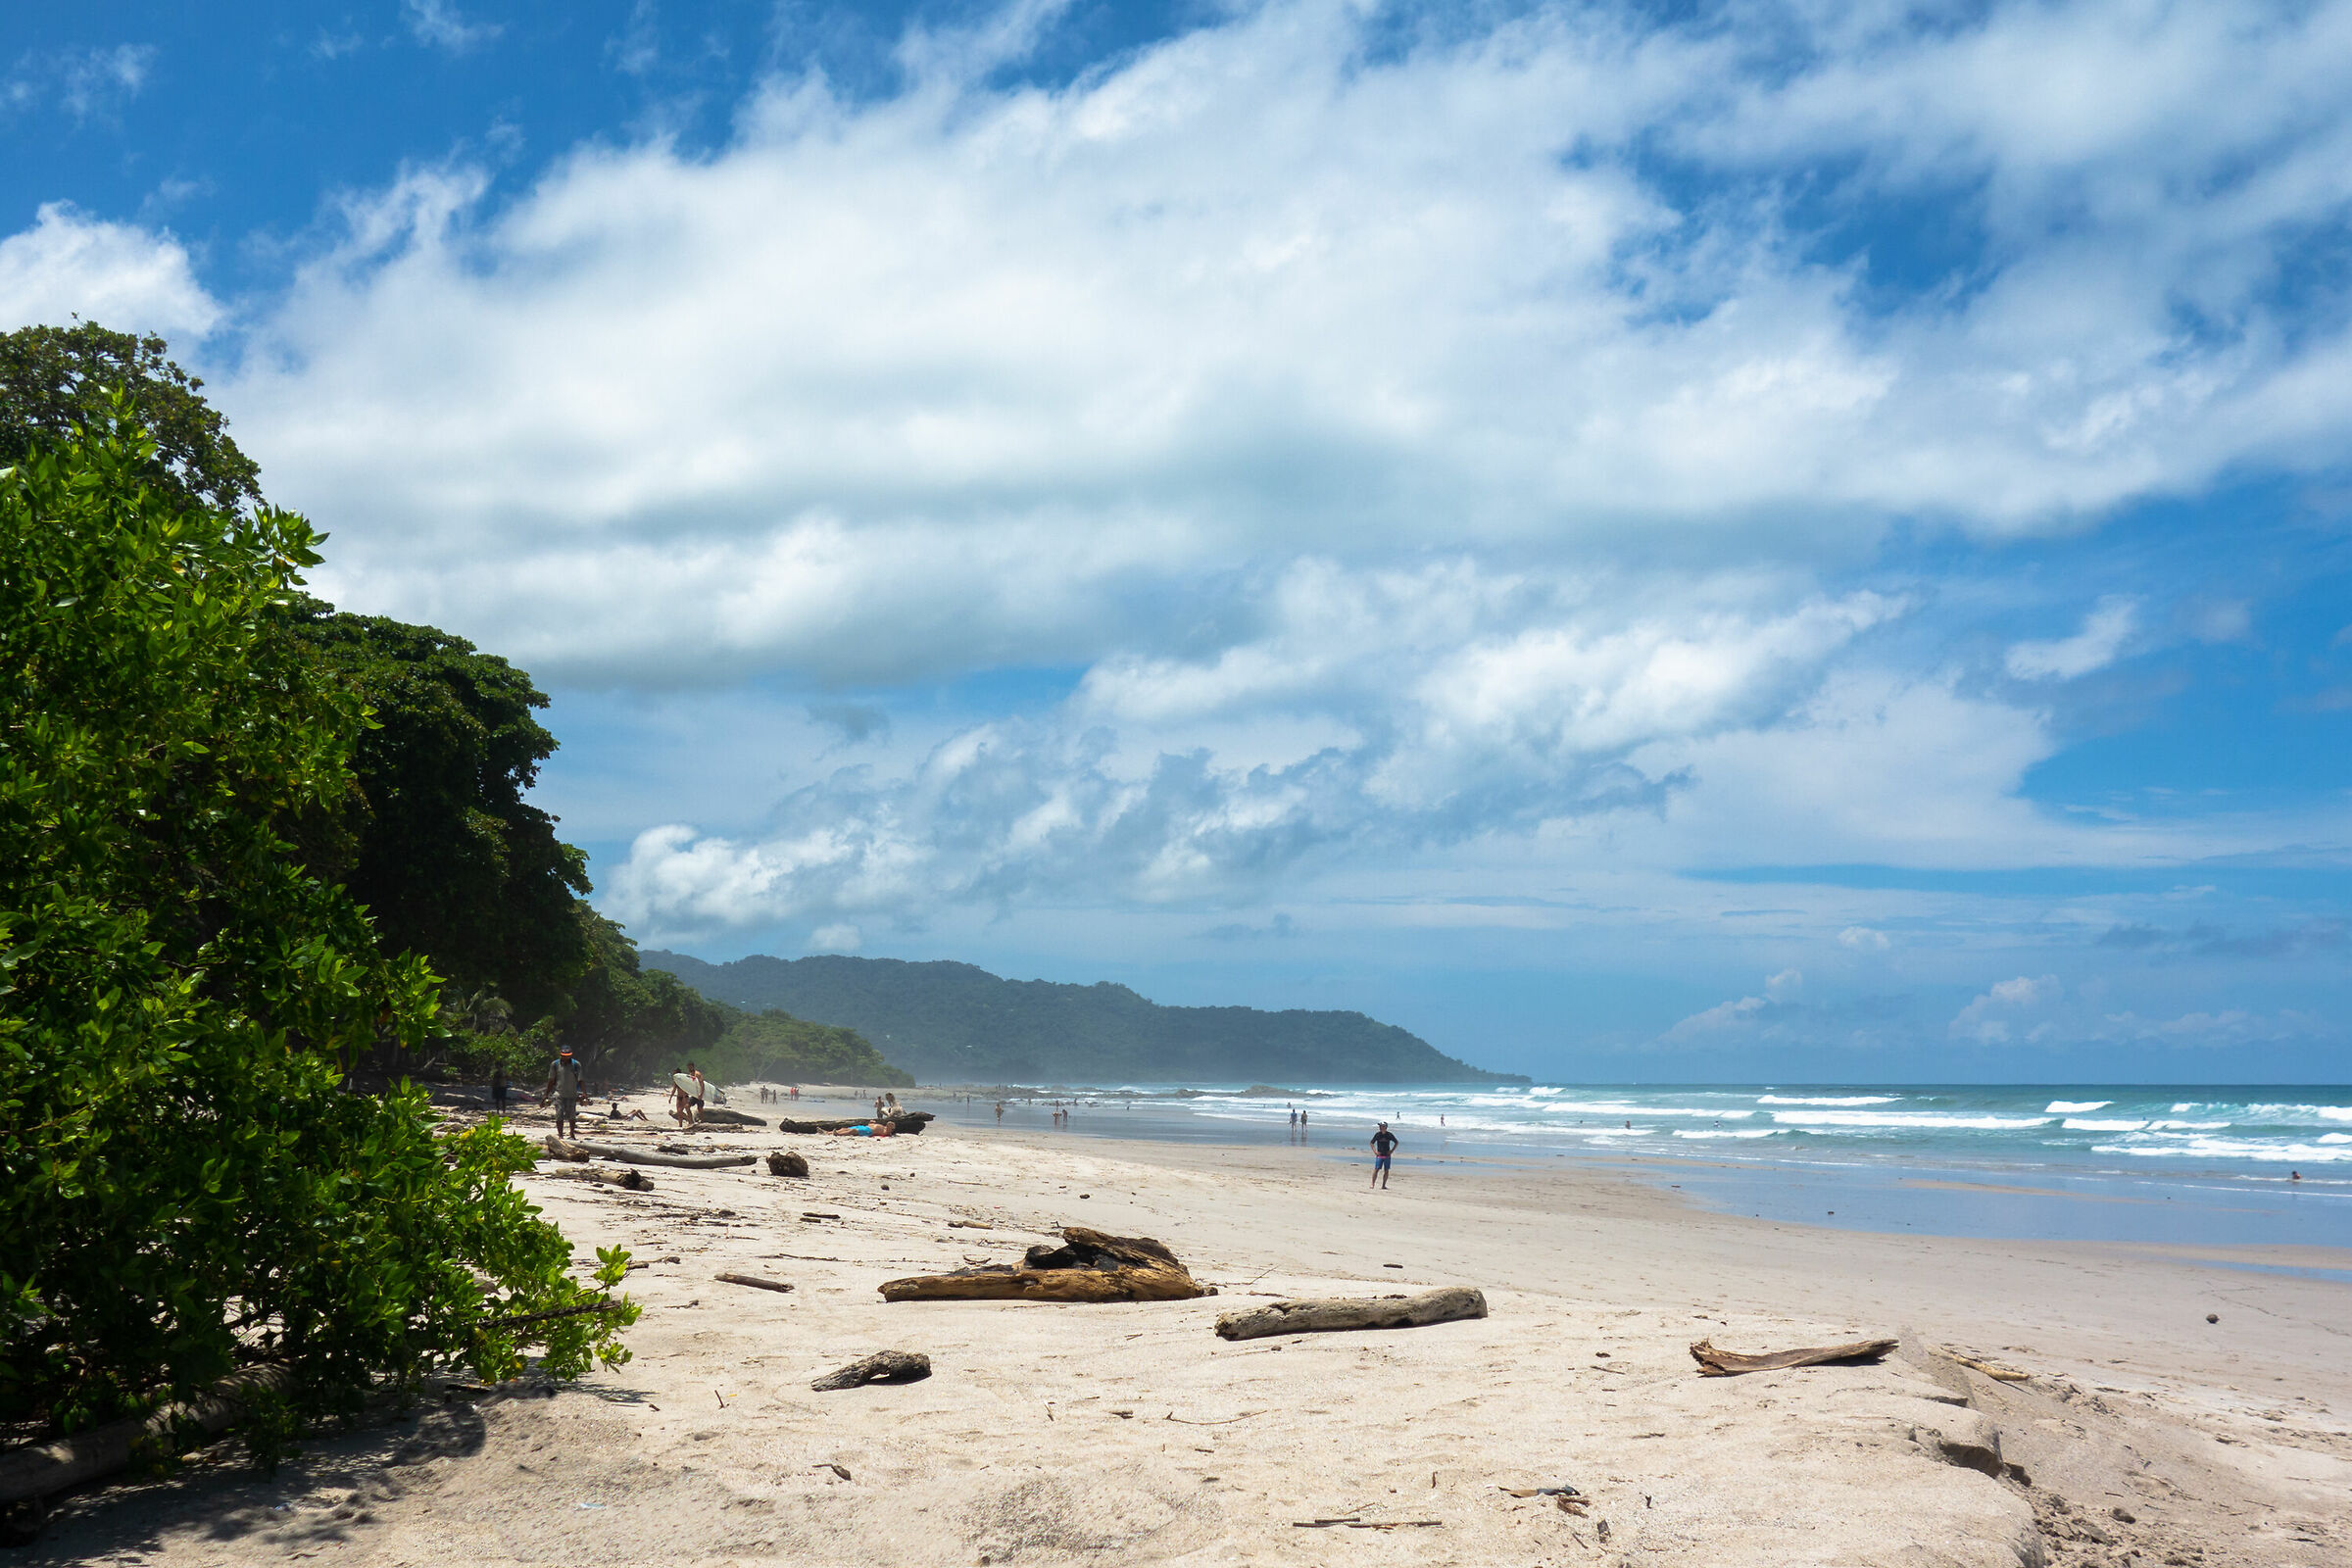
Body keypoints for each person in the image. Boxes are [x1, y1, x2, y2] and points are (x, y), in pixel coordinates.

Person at [542, 1048, 584, 1139]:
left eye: (567, 1056)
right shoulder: (555, 1065)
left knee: (572, 1116)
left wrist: (584, 1093)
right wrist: (546, 1094)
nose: (565, 1058)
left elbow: (580, 1080)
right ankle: (560, 1135)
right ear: (561, 1055)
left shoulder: (576, 1065)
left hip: (572, 1094)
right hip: (559, 1094)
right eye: (564, 1056)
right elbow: (551, 1080)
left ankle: (572, 1134)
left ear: (570, 1055)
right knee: (559, 1115)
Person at [1369, 1121, 1399, 1189]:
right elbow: (1371, 1143)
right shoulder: (1378, 1134)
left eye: (1382, 1126)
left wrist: (1391, 1151)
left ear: (1385, 1127)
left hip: (1387, 1155)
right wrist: (1375, 1151)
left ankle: (1383, 1185)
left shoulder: (1389, 1135)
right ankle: (1372, 1184)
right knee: (1376, 1169)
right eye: (1380, 1126)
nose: (1380, 1127)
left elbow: (1396, 1142)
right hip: (1379, 1155)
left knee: (1386, 1170)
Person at [686, 1061, 708, 1126]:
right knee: (687, 1106)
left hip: (699, 1094)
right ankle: (691, 1121)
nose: (689, 1068)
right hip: (694, 1095)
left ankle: (702, 1122)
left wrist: (701, 1094)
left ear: (693, 1067)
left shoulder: (697, 1074)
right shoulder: (690, 1074)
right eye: (688, 1067)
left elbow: (702, 1084)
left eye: (690, 1067)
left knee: (700, 1109)